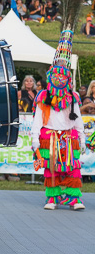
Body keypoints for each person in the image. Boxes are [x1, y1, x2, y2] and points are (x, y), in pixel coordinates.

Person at [32, 28, 86, 211]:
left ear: (68, 77)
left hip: (69, 138)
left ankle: (74, 199)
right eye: (56, 74)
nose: (59, 77)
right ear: (50, 75)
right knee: (51, 168)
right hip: (49, 138)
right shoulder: (42, 96)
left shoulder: (73, 96)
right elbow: (37, 121)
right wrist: (35, 141)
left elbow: (77, 121)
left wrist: (82, 138)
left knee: (73, 168)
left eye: (63, 75)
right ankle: (52, 198)